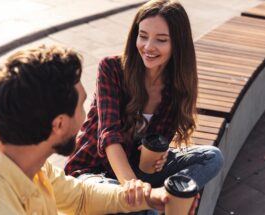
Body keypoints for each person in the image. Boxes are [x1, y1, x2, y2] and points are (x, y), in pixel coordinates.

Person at [0, 45, 169, 215]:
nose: (85, 116)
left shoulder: (26, 162)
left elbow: (80, 197)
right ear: (59, 124)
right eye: (81, 106)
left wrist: (148, 197)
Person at [65, 0, 224, 212]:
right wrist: (134, 186)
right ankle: (158, 202)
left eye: (161, 40)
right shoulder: (111, 69)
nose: (148, 47)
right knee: (146, 209)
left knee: (212, 157)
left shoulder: (176, 88)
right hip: (93, 173)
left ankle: (170, 195)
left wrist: (160, 156)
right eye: (143, 36)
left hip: (137, 170)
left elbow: (153, 149)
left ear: (178, 44)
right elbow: (109, 135)